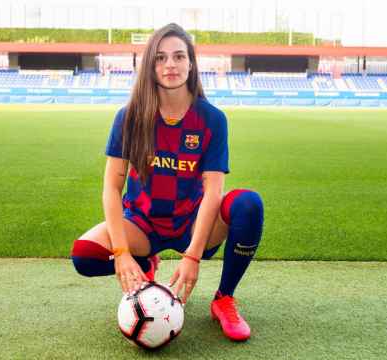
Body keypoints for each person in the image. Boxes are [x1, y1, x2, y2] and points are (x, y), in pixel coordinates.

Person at [70, 23, 264, 342]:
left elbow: (214, 190)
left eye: (178, 56)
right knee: (84, 254)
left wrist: (192, 257)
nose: (170, 65)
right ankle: (145, 261)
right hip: (143, 224)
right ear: (150, 65)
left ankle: (224, 298)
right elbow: (111, 187)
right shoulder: (129, 117)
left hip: (192, 223)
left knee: (247, 204)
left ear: (191, 63)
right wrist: (122, 252)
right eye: (160, 58)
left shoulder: (212, 119)